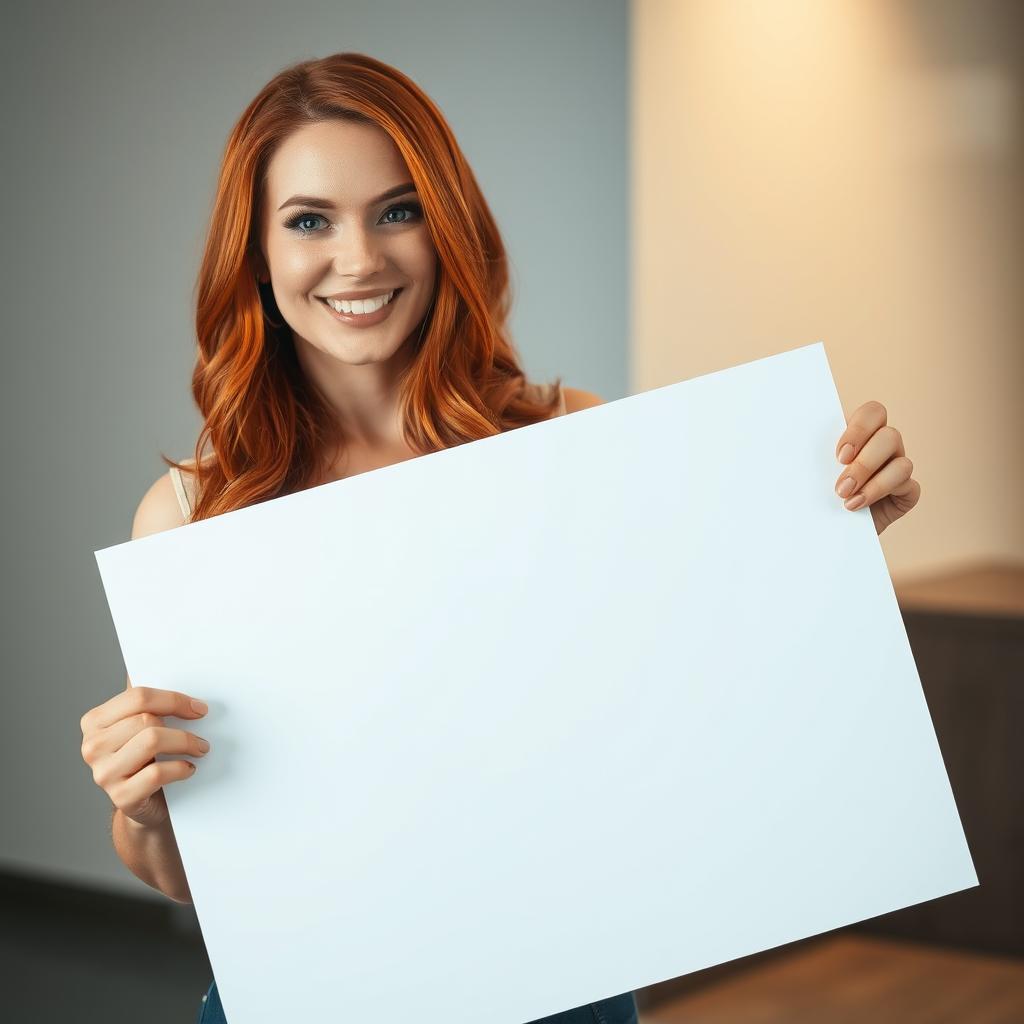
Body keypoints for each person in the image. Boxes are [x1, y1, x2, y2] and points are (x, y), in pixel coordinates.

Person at [78, 52, 921, 1024]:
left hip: (556, 991)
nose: (358, 258)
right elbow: (189, 875)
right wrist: (142, 803)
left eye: (397, 210)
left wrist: (834, 541)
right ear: (257, 254)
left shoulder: (565, 437)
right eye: (309, 220)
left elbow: (700, 701)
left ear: (448, 231)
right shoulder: (193, 511)